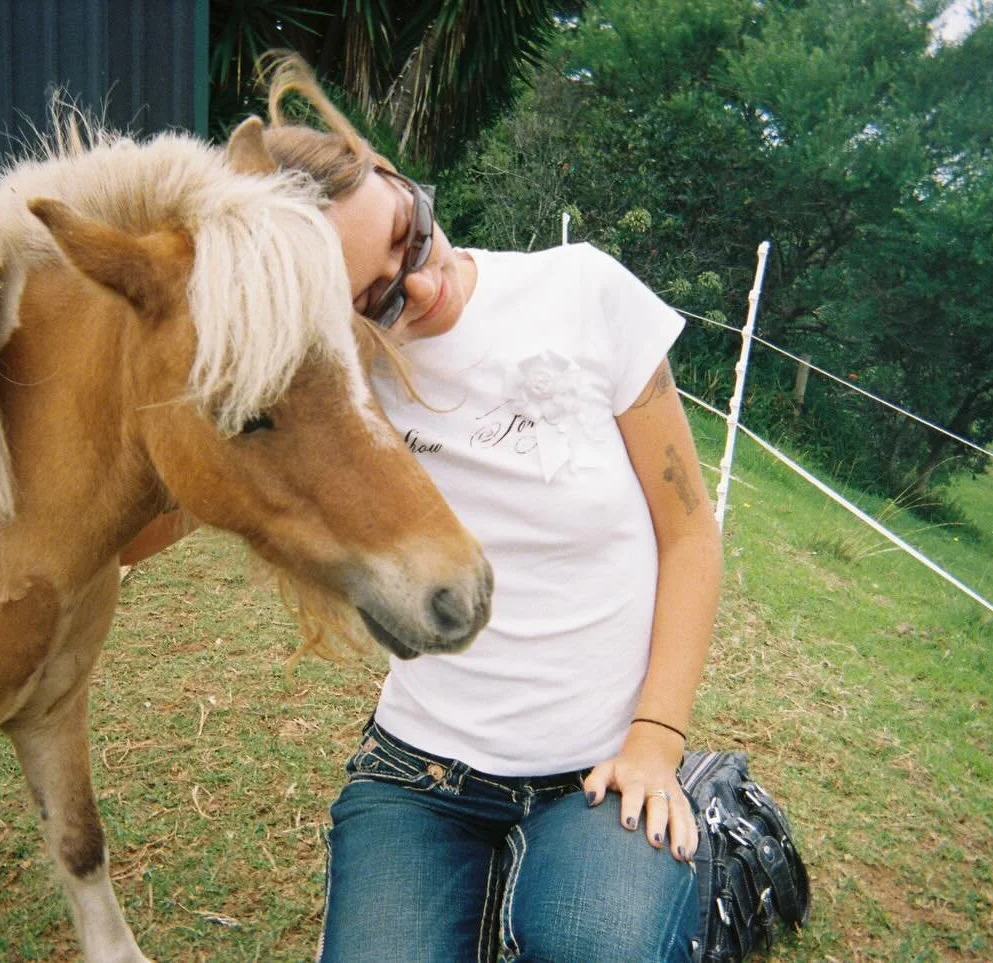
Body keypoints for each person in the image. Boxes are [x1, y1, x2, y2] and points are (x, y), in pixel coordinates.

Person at [126, 55, 723, 962]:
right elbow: (164, 507)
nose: (428, 285)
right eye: (379, 303)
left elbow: (688, 535)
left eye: (412, 232)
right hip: (422, 771)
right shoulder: (330, 393)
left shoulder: (584, 292)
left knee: (592, 945)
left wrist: (656, 738)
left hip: (600, 762)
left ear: (390, 173)